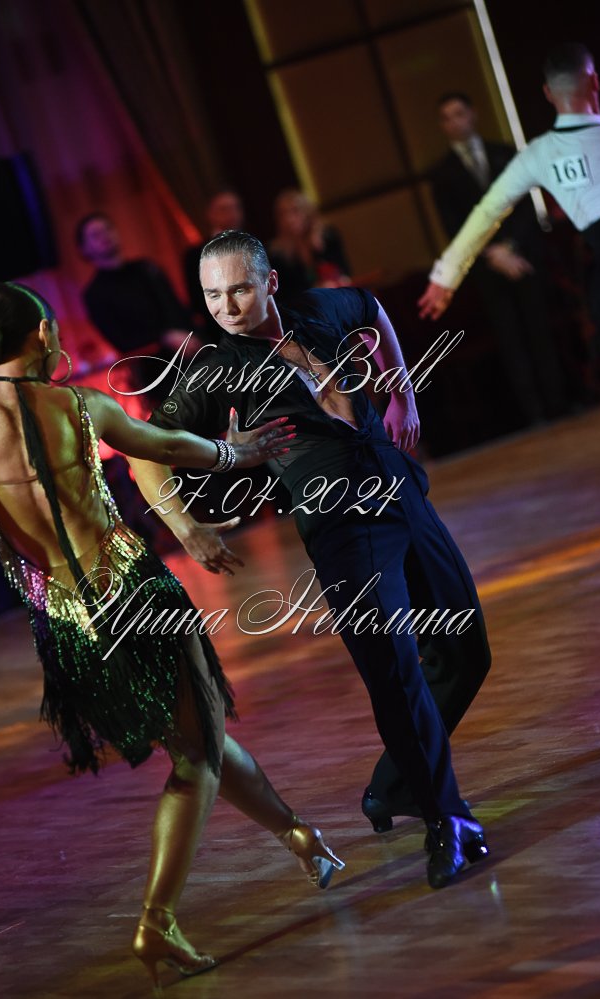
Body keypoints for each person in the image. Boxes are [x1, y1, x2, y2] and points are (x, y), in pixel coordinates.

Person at [0, 282, 344, 990]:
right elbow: (169, 444)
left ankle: (300, 837)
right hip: (135, 594)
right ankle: (157, 920)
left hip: (64, 623)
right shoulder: (81, 405)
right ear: (42, 334)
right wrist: (235, 451)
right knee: (199, 750)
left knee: (198, 736)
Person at [130, 230, 492, 891]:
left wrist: (402, 392)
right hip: (341, 527)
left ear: (269, 282)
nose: (226, 307)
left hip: (402, 491)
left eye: (240, 289)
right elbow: (144, 451)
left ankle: (396, 787)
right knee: (394, 672)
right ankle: (447, 818)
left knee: (466, 651)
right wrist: (187, 527)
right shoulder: (215, 367)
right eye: (212, 295)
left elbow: (372, 308)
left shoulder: (319, 310)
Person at [420, 44, 600, 384]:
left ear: (547, 93)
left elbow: (486, 213)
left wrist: (445, 276)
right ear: (595, 82)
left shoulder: (537, 154)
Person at [429, 92, 566, 424]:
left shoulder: (504, 153)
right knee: (510, 339)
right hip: (486, 266)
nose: (455, 122)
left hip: (522, 256)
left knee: (540, 328)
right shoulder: (441, 174)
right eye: (447, 118)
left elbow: (525, 206)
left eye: (459, 113)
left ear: (473, 114)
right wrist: (493, 254)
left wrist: (511, 246)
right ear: (442, 126)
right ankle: (533, 414)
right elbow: (454, 227)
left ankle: (559, 403)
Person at [76, 213, 200, 375]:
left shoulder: (146, 267)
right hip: (158, 370)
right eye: (96, 234)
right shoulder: (94, 294)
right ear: (84, 248)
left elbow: (176, 308)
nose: (105, 235)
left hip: (196, 351)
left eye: (108, 228)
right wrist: (165, 337)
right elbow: (122, 342)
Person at [268, 189, 351, 302]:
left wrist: (339, 279)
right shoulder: (276, 254)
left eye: (295, 211)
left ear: (307, 212)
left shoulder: (328, 237)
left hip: (338, 297)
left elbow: (345, 271)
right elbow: (285, 294)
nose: (289, 219)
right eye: (283, 214)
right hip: (306, 305)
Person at [184, 189, 246, 332]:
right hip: (220, 329)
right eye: (224, 209)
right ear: (211, 214)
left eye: (236, 208)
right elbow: (198, 299)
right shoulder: (195, 255)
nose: (232, 214)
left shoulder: (255, 245)